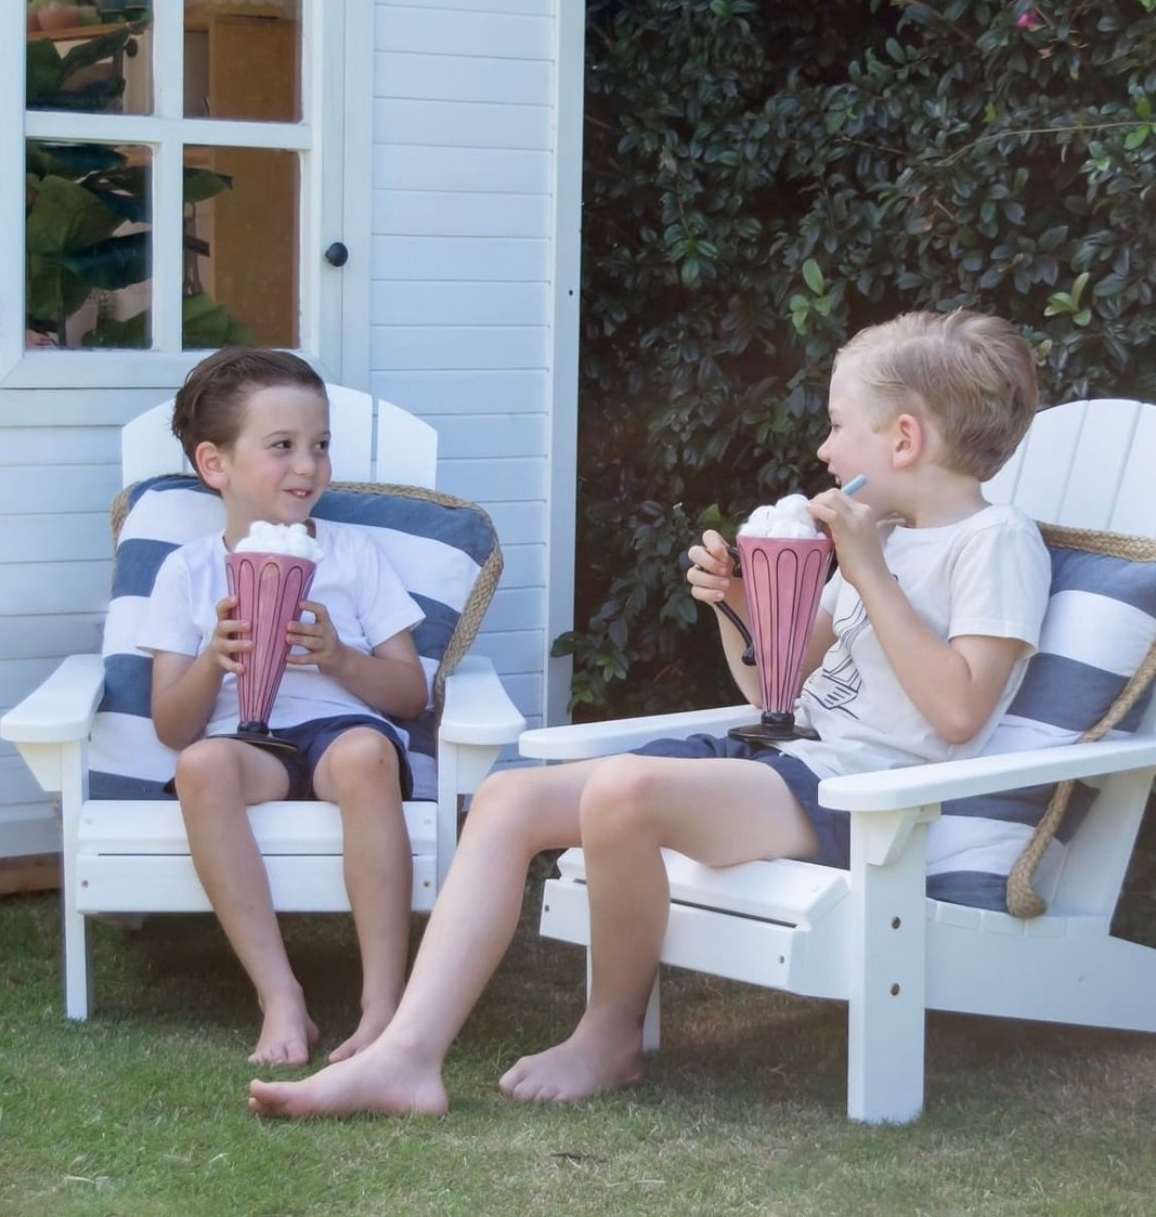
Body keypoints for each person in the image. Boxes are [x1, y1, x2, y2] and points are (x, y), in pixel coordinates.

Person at [248, 308, 1050, 1118]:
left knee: (623, 791)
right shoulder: (881, 534)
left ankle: (611, 1031)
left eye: (839, 426)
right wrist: (738, 600)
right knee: (507, 795)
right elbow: (773, 685)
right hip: (788, 760)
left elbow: (957, 709)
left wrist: (868, 570)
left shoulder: (993, 541)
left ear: (903, 439)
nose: (825, 450)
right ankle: (405, 1057)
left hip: (870, 798)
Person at [142, 348, 427, 1067]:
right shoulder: (188, 571)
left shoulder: (352, 556)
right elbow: (172, 726)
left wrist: (338, 658)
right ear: (215, 465)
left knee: (367, 755)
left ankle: (384, 1003)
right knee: (202, 764)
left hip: (341, 734)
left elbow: (411, 694)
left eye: (320, 445)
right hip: (248, 742)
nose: (308, 465)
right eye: (282, 447)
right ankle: (281, 997)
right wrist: (213, 657)